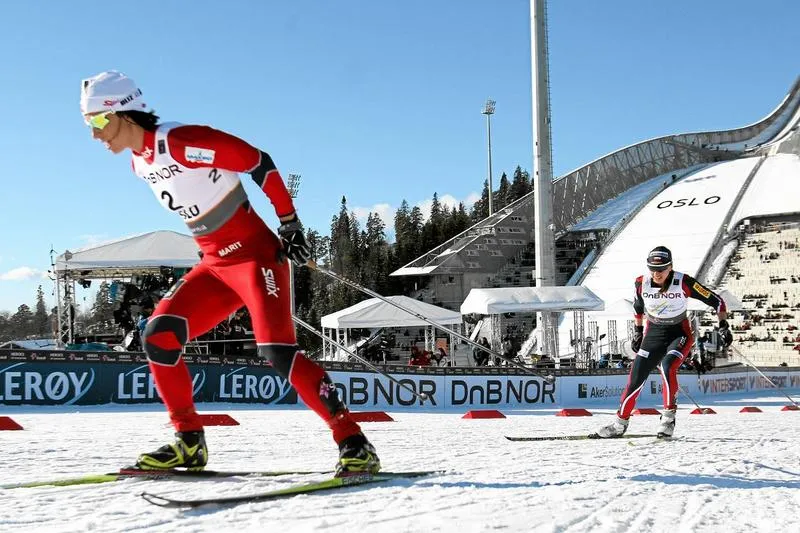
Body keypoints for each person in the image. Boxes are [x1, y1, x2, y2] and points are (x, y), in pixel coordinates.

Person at [80, 71, 379, 475]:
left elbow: (258, 162)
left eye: (99, 120)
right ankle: (189, 441)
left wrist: (289, 223)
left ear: (124, 111)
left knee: (277, 351)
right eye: (88, 124)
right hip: (215, 266)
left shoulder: (179, 142)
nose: (95, 134)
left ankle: (353, 441)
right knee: (159, 337)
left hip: (255, 259)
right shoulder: (139, 163)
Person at [594, 246, 730, 439]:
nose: (656, 274)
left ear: (670, 267)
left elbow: (717, 301)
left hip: (679, 333)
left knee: (667, 367)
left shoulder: (684, 282)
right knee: (636, 377)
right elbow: (638, 307)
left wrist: (723, 325)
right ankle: (619, 424)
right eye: (652, 269)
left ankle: (667, 420)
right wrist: (638, 331)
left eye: (661, 269)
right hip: (653, 334)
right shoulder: (641, 282)